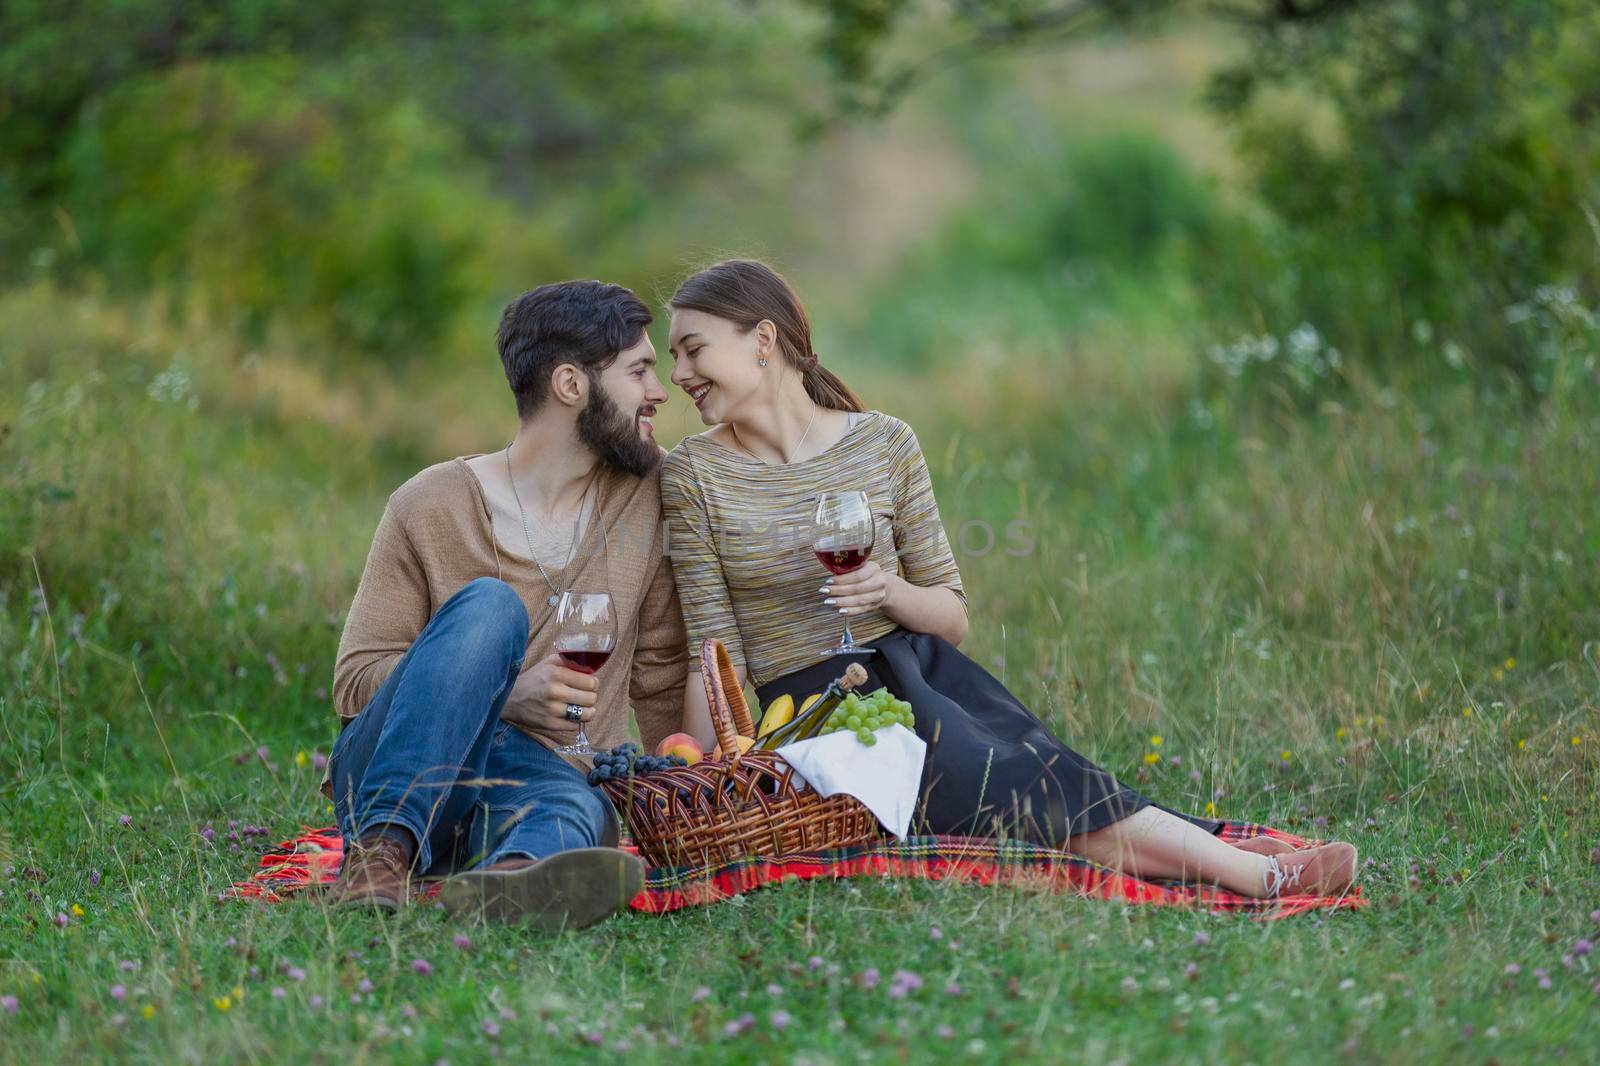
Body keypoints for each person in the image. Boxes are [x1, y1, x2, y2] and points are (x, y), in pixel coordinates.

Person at [659, 259, 1357, 900]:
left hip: (926, 674)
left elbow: (952, 618)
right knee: (1015, 788)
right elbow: (712, 652)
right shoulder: (693, 474)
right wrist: (700, 785)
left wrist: (888, 593)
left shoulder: (885, 442)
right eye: (673, 357)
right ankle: (1256, 872)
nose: (680, 374)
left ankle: (1245, 865)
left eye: (694, 349)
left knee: (1036, 778)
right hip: (817, 711)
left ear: (762, 340)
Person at [326, 280, 688, 927]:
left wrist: (689, 792)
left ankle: (513, 879)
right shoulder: (429, 503)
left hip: (543, 774)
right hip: (397, 772)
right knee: (490, 608)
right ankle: (379, 855)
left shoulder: (648, 494)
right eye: (639, 371)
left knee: (578, 808)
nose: (659, 392)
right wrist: (506, 692)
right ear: (572, 386)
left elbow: (661, 668)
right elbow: (355, 683)